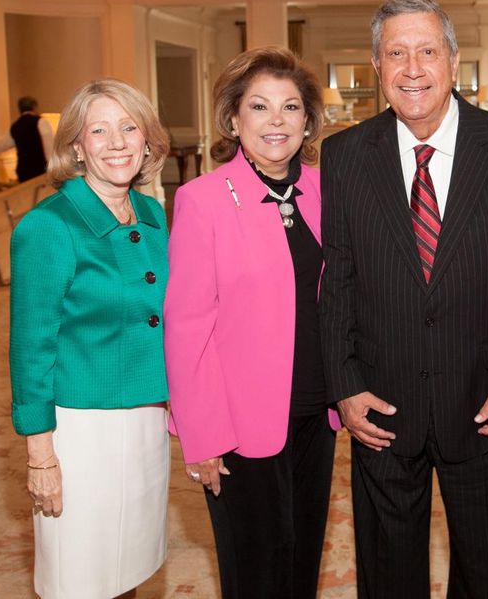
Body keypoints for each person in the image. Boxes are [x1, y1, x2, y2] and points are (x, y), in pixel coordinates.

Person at [319, 0, 488, 598]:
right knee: (387, 571)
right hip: (381, 406)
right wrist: (343, 384)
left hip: (484, 402)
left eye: (426, 51)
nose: (412, 68)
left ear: (452, 59)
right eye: (396, 53)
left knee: (486, 569)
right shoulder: (342, 156)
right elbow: (335, 276)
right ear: (376, 65)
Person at [164, 46, 340, 599]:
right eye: (259, 107)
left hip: (317, 411)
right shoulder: (202, 201)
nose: (276, 122)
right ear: (234, 119)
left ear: (308, 121)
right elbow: (186, 326)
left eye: (290, 108)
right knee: (255, 569)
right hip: (239, 426)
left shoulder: (326, 190)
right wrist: (202, 435)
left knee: (303, 557)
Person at [8, 78, 172, 599]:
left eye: (129, 127)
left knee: (132, 566)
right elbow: (30, 347)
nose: (118, 142)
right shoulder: (48, 227)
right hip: (79, 431)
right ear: (76, 147)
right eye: (99, 130)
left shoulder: (152, 215)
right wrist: (41, 456)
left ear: (148, 140)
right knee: (79, 575)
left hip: (147, 420)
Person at [0, 95, 54, 182]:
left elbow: (2, 144)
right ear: (34, 107)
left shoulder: (16, 126)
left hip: (23, 171)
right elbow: (49, 149)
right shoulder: (41, 122)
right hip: (39, 170)